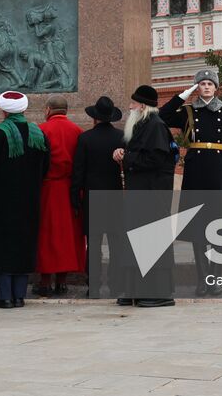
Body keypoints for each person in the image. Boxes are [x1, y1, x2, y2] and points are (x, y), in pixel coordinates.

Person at [160, 68, 222, 296]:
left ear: (216, 88)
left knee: (218, 227)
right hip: (196, 172)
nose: (206, 87)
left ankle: (215, 279)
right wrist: (182, 95)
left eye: (209, 84)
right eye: (202, 84)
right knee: (197, 228)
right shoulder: (187, 111)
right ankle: (202, 279)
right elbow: (162, 116)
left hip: (219, 173)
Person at [0, 90, 48, 308]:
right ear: (24, 109)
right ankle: (19, 296)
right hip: (29, 200)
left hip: (3, 201)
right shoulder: (37, 133)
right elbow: (45, 167)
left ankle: (4, 296)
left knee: (3, 244)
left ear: (3, 110)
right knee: (24, 244)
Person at [113, 85, 177, 307]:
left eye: (132, 103)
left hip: (153, 194)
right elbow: (133, 150)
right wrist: (120, 152)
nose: (129, 107)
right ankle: (134, 290)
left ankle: (159, 293)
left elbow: (155, 160)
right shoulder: (141, 125)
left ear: (141, 106)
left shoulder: (156, 126)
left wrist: (127, 158)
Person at [70, 95, 125, 299]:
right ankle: (115, 285)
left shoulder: (85, 139)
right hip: (115, 198)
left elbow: (78, 172)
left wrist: (75, 198)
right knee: (116, 243)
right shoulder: (121, 137)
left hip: (93, 198)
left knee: (93, 245)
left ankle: (93, 286)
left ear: (94, 118)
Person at [34, 95, 84, 297]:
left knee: (46, 235)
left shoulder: (40, 130)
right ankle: (62, 282)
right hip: (70, 189)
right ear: (66, 111)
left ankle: (45, 282)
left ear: (48, 109)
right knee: (68, 235)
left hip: (46, 189)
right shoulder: (77, 131)